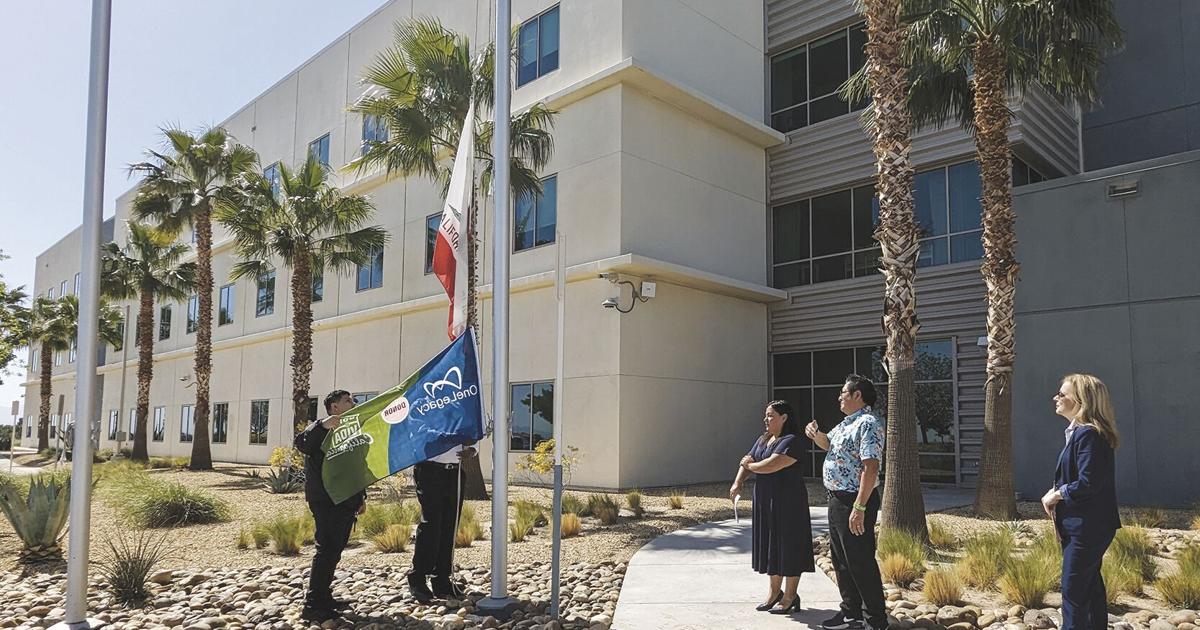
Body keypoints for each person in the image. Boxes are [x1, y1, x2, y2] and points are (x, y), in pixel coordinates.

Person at [1041, 374, 1121, 630]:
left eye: (1062, 394)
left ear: (1082, 400)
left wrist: (1057, 494)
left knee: (1073, 591)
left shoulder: (1088, 434)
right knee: (1090, 589)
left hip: (1087, 527)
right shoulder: (1082, 433)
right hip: (1086, 526)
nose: (1056, 398)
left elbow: (1088, 482)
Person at [806, 375, 886, 630]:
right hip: (836, 500)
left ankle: (875, 620)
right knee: (841, 560)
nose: (839, 397)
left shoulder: (868, 424)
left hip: (855, 500)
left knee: (860, 561)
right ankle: (851, 613)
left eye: (844, 393)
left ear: (857, 395)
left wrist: (860, 507)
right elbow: (828, 445)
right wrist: (815, 435)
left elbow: (870, 466)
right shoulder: (845, 425)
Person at [729, 400, 814, 615]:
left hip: (789, 503)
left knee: (789, 546)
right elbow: (747, 460)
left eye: (770, 415)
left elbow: (772, 465)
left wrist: (750, 466)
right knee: (771, 546)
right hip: (765, 502)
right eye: (765, 415)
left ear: (784, 417)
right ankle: (774, 593)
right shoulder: (764, 439)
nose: (765, 419)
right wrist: (738, 482)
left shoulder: (792, 441)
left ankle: (790, 596)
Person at [294, 389, 367, 622]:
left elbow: (355, 467)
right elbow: (302, 444)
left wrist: (360, 497)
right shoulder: (320, 430)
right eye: (348, 400)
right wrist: (322, 425)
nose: (353, 403)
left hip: (346, 501)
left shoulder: (350, 431)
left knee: (335, 550)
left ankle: (324, 596)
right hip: (326, 501)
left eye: (353, 399)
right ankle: (313, 604)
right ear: (334, 407)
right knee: (326, 550)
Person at [408, 441, 477, 603]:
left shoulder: (462, 415)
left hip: (455, 472)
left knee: (450, 526)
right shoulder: (428, 413)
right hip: (430, 470)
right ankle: (418, 579)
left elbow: (472, 436)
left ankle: (442, 580)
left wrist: (472, 450)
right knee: (431, 526)